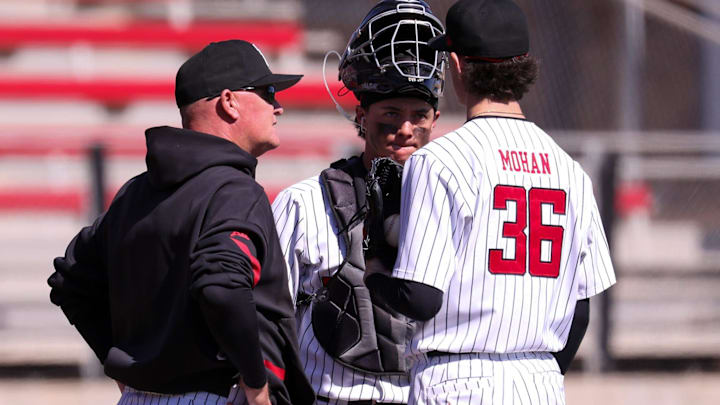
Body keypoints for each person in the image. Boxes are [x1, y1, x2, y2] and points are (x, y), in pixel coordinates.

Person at [364, 0, 617, 404]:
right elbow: (581, 311)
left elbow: (421, 298)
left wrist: (375, 268)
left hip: (457, 379)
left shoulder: (440, 160)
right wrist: (539, 371)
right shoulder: (571, 171)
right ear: (522, 65)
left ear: (457, 66)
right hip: (541, 380)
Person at [47, 40, 315, 405]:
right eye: (267, 92)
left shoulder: (135, 192)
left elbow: (70, 279)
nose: (278, 106)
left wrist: (119, 361)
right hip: (218, 395)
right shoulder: (234, 190)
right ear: (229, 102)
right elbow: (221, 285)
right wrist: (256, 383)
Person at [271, 1, 445, 403]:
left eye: (419, 114)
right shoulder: (304, 202)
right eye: (391, 112)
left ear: (435, 119)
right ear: (361, 115)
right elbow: (266, 319)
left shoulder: (458, 203)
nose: (406, 129)